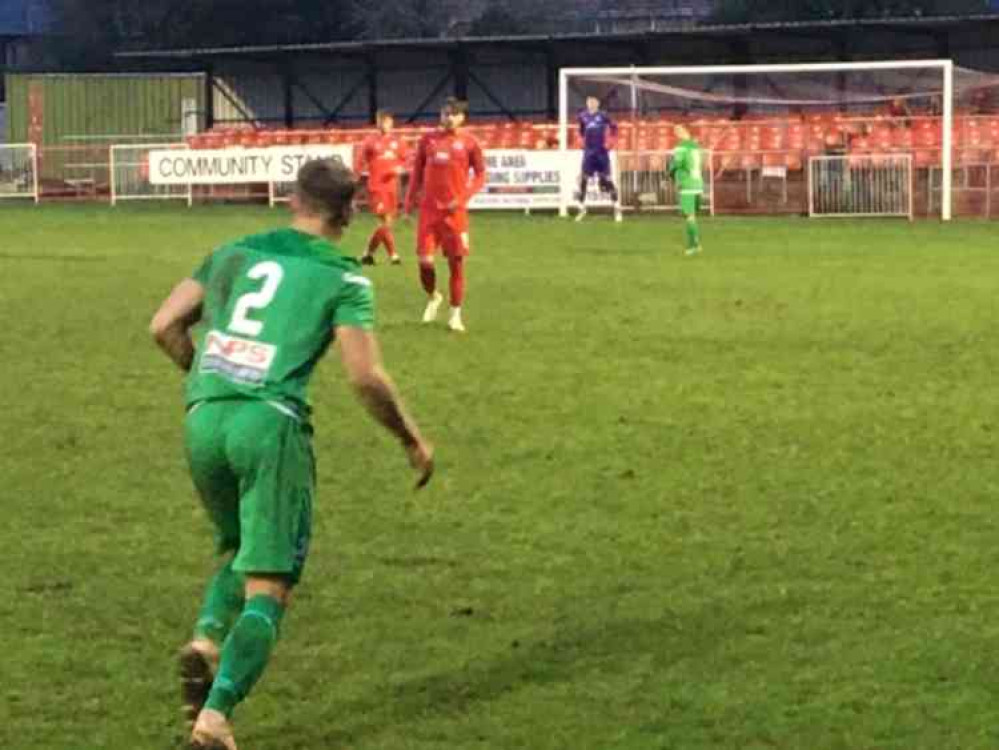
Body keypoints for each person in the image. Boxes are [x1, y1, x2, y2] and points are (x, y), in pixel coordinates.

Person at [149, 158, 434, 750]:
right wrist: (411, 438)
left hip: (203, 418)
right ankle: (216, 717)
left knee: (236, 544)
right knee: (270, 583)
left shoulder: (232, 251)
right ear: (349, 212)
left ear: (292, 201)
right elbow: (364, 376)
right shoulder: (344, 277)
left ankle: (205, 641)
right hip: (269, 426)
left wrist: (204, 374)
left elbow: (164, 326)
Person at [404, 97, 486, 334]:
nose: (448, 117)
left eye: (453, 114)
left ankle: (455, 314)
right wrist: (408, 205)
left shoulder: (470, 143)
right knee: (425, 262)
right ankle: (433, 296)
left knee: (456, 265)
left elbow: (481, 175)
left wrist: (463, 198)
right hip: (429, 212)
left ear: (462, 117)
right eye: (444, 113)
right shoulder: (427, 140)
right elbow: (417, 174)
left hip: (455, 214)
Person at [358, 109, 408, 266]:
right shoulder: (370, 142)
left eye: (387, 121)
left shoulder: (398, 142)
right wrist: (356, 177)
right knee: (386, 222)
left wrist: (400, 168)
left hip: (392, 187)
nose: (384, 124)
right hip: (377, 187)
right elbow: (359, 162)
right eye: (381, 121)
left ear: (391, 123)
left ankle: (385, 255)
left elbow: (406, 160)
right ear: (377, 122)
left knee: (387, 223)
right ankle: (370, 253)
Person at [575, 95, 622, 223]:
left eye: (593, 101)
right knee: (583, 179)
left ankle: (617, 207)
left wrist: (611, 142)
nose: (590, 103)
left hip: (601, 152)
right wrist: (580, 141)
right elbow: (580, 131)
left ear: (598, 103)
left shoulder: (603, 115)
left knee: (606, 180)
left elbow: (614, 128)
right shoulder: (582, 116)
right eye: (588, 101)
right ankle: (582, 208)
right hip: (588, 153)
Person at [668, 125, 705, 256]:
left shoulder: (680, 147)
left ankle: (694, 245)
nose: (676, 134)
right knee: (692, 216)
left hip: (687, 184)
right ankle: (696, 244)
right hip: (698, 183)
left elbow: (676, 164)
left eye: (678, 131)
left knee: (689, 216)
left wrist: (672, 174)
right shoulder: (696, 147)